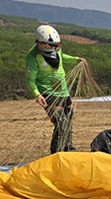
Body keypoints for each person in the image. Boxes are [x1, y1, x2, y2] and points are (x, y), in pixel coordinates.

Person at [25, 25, 86, 154]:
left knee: (68, 117)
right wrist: (37, 94)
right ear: (39, 43)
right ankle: (57, 152)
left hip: (63, 91)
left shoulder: (56, 50)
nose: (52, 48)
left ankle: (68, 148)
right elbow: (30, 79)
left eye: (55, 46)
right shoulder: (33, 57)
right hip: (47, 92)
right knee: (60, 121)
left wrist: (76, 60)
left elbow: (62, 57)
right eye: (48, 46)